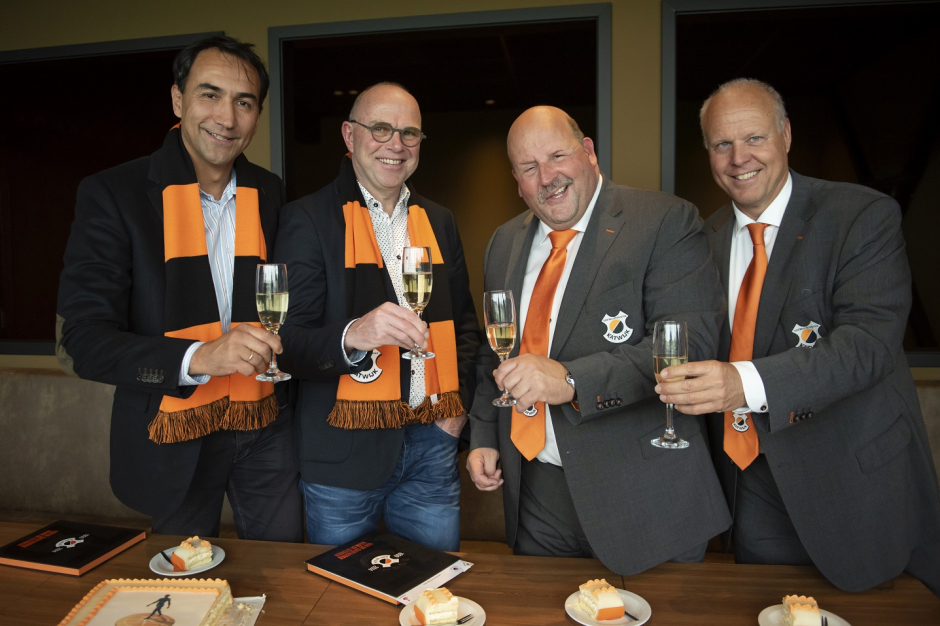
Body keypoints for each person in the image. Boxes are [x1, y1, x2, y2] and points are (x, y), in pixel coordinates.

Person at [656, 78, 940, 595]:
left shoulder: (860, 215)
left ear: (785, 135)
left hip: (852, 483)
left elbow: (867, 347)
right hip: (745, 482)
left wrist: (742, 384)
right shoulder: (702, 239)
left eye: (754, 138)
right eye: (722, 144)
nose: (739, 158)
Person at [56, 36, 302, 541]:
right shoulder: (113, 194)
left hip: (265, 423)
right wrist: (199, 357)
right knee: (186, 579)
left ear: (257, 116)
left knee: (283, 568)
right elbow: (81, 340)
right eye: (210, 94)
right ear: (177, 99)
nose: (226, 118)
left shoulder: (271, 191)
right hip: (172, 432)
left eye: (244, 102)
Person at [466, 106, 731, 575]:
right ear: (517, 180)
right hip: (537, 494)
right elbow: (495, 349)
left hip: (643, 494)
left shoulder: (665, 220)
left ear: (588, 151)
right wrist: (485, 433)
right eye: (529, 167)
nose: (547, 177)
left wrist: (570, 379)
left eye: (557, 156)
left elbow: (688, 347)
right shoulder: (503, 242)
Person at [274, 83, 480, 551]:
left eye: (410, 133)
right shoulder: (307, 219)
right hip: (343, 456)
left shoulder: (440, 220)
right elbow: (286, 344)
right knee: (341, 589)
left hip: (433, 442)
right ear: (349, 136)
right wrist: (354, 335)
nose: (397, 144)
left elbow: (466, 327)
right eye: (381, 129)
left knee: (433, 584)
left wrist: (458, 410)